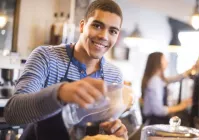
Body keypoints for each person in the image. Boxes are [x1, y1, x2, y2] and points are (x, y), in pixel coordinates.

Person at [4, 0, 128, 139]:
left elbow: (103, 126)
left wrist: (114, 131)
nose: (104, 36)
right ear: (82, 26)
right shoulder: (46, 57)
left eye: (113, 31)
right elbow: (12, 113)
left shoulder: (114, 76)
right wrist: (60, 93)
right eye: (97, 25)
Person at [141, 52, 193, 125]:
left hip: (155, 121)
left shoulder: (158, 79)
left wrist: (195, 67)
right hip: (154, 122)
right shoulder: (155, 81)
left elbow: (177, 78)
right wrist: (180, 106)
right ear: (158, 62)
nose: (167, 62)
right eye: (164, 59)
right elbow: (158, 110)